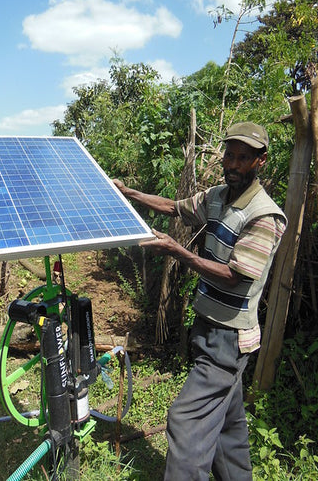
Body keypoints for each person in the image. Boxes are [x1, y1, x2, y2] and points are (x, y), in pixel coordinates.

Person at [113, 121, 287, 481]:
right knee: (228, 427)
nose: (233, 164)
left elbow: (235, 275)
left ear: (261, 162)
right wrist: (129, 193)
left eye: (243, 158)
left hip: (228, 338)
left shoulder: (263, 215)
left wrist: (178, 251)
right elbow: (173, 207)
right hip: (208, 328)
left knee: (186, 421)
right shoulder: (217, 197)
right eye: (229, 155)